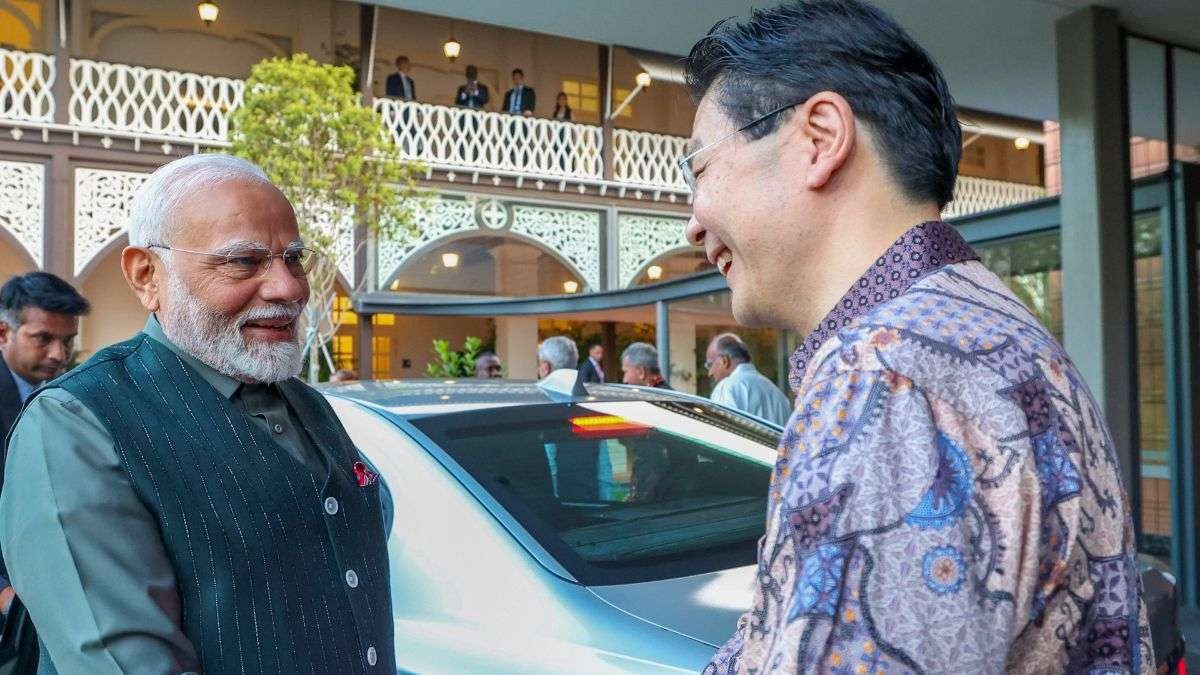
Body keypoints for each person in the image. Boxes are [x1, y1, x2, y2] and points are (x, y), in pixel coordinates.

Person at [682, 2, 1149, 673]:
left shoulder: (885, 375)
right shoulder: (998, 328)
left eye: (697, 168)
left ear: (819, 137)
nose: (694, 224)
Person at [0, 154, 394, 674]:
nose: (290, 288)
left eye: (294, 258)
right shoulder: (78, 422)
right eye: (243, 261)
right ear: (146, 275)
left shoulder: (307, 403)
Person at [0, 271, 89, 667]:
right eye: (43, 339)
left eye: (67, 341)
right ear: (4, 333)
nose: (58, 354)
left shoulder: (67, 395)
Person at [705, 333, 791, 426]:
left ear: (724, 361)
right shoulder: (779, 394)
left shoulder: (726, 388)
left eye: (710, 365)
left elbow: (721, 434)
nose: (710, 373)